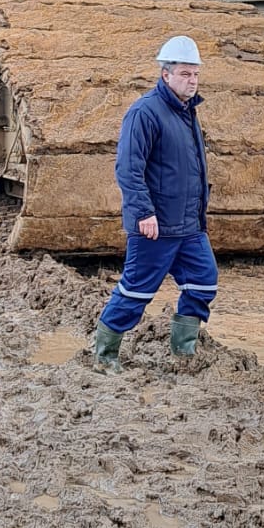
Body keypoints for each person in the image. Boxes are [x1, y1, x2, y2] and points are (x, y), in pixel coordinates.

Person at [93, 36, 217, 371]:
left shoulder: (187, 112)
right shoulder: (145, 112)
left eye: (195, 74)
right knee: (136, 291)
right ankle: (104, 356)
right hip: (155, 226)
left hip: (189, 226)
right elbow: (128, 168)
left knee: (204, 281)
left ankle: (183, 352)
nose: (192, 80)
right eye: (185, 74)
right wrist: (144, 212)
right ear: (166, 74)